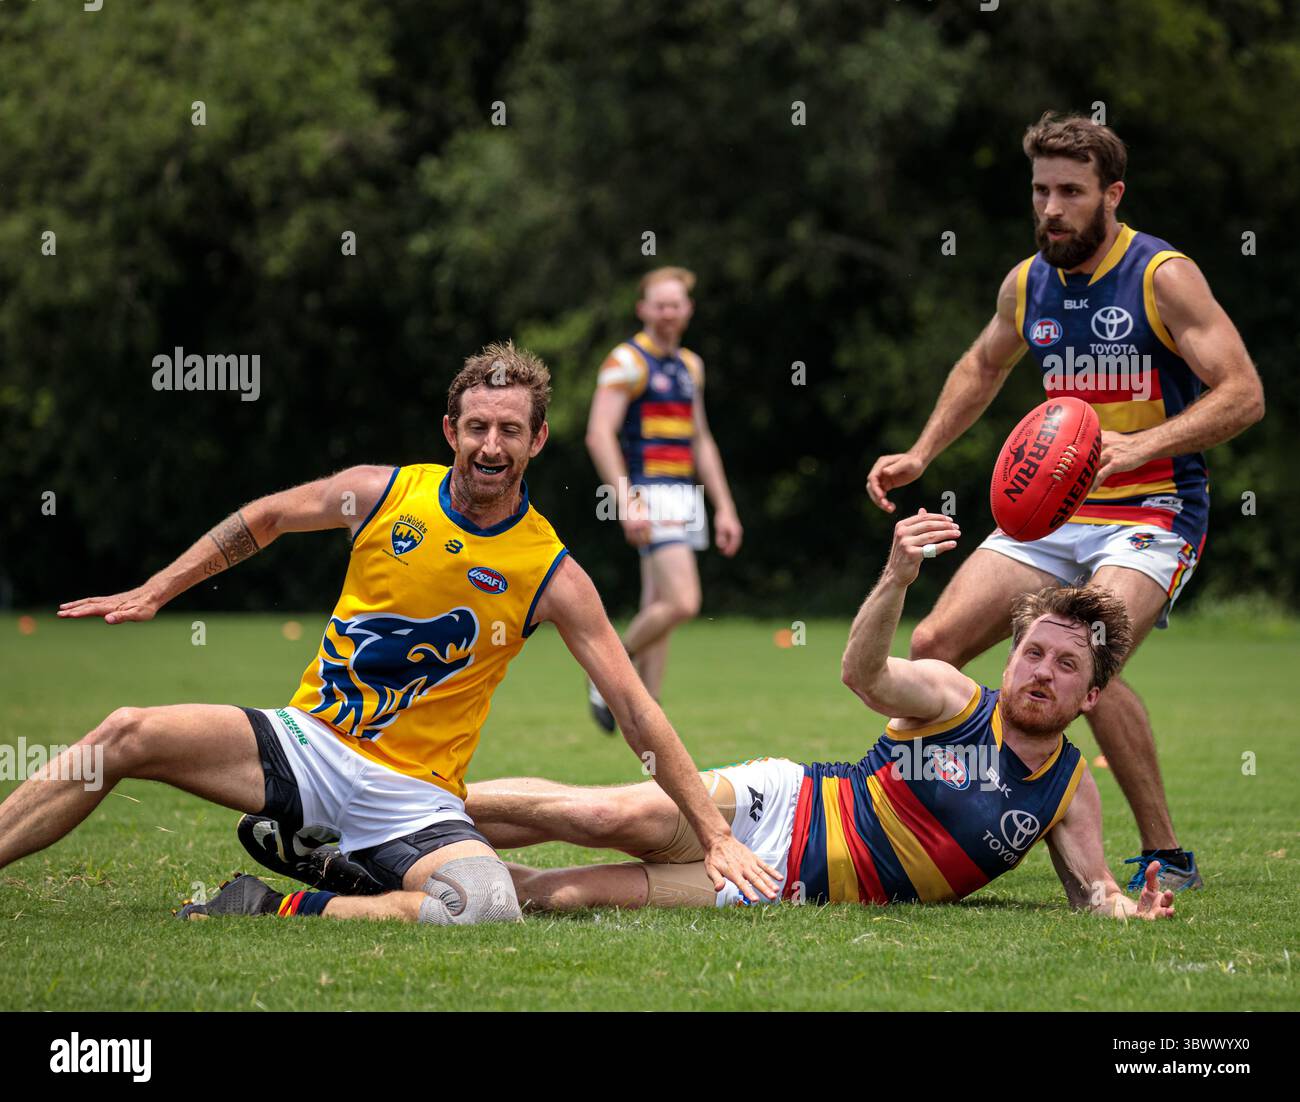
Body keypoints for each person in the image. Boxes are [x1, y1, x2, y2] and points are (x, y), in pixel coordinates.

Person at [0, 342, 778, 925]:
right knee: (124, 733)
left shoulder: (553, 574)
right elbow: (268, 518)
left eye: (510, 431)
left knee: (485, 904)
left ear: (537, 441)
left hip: (416, 800)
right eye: (477, 427)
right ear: (451, 428)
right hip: (308, 745)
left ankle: (277, 902)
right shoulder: (381, 495)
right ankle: (320, 841)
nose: (491, 447)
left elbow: (635, 709)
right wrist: (156, 589)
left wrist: (711, 835)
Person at [865, 112, 1265, 891]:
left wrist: (1142, 445)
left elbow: (1244, 394)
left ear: (1112, 194)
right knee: (932, 643)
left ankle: (1165, 854)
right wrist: (921, 452)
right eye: (1041, 190)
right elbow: (982, 367)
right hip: (1051, 517)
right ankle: (955, 810)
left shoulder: (1161, 276)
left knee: (1088, 662)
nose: (1052, 207)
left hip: (1152, 511)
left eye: (1072, 192)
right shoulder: (1028, 282)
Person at [463, 510, 1176, 921]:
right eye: (1034, 654)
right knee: (598, 819)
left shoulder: (1069, 789)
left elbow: (1095, 893)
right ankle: (404, 811)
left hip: (791, 884)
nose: (1041, 673)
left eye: (1066, 665)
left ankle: (397, 872)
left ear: (1090, 697)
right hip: (783, 806)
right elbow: (863, 675)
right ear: (1011, 656)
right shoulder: (954, 698)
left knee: (562, 894)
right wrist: (896, 579)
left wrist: (1129, 912)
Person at [584, 267, 743, 731]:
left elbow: (702, 440)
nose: (669, 312)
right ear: (643, 309)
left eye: (677, 304)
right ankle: (608, 672)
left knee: (661, 608)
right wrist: (626, 500)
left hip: (684, 495)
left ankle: (649, 730)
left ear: (688, 309)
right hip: (648, 492)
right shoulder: (626, 361)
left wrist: (725, 507)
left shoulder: (691, 365)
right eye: (660, 304)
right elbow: (599, 434)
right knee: (683, 602)